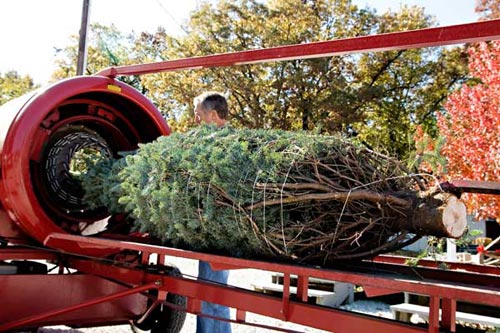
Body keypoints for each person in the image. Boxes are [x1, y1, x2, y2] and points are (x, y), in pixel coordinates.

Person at [193, 91, 232, 333]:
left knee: (212, 291)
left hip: (218, 231)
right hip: (209, 228)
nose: (196, 120)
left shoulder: (226, 146)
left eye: (199, 115)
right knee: (209, 289)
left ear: (214, 115)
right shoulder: (213, 142)